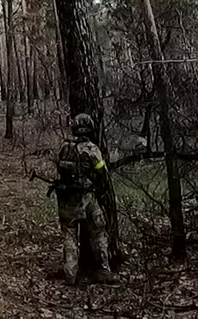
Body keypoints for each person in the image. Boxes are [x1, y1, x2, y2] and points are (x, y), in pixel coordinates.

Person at [55, 113, 114, 284]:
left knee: (69, 236)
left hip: (66, 199)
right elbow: (102, 172)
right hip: (86, 197)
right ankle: (103, 269)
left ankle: (70, 275)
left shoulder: (64, 147)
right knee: (99, 231)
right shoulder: (91, 148)